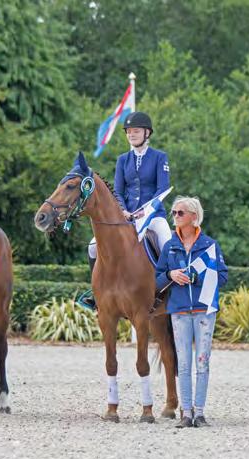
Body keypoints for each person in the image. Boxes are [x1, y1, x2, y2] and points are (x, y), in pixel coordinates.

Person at [79, 111, 171, 310]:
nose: (131, 135)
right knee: (93, 246)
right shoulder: (122, 160)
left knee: (167, 242)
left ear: (147, 133)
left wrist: (145, 211)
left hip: (153, 216)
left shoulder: (159, 157)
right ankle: (97, 291)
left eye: (135, 131)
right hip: (126, 217)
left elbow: (162, 189)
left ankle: (167, 289)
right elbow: (118, 191)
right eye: (129, 132)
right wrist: (123, 210)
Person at [154, 197, 228, 428]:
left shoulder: (210, 246)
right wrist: (170, 276)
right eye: (174, 213)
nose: (174, 216)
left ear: (194, 217)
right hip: (178, 312)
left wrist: (200, 277)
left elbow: (223, 276)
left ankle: (200, 412)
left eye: (180, 213)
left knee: (202, 362)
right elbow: (156, 281)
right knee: (184, 364)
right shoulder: (169, 247)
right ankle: (186, 413)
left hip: (205, 311)